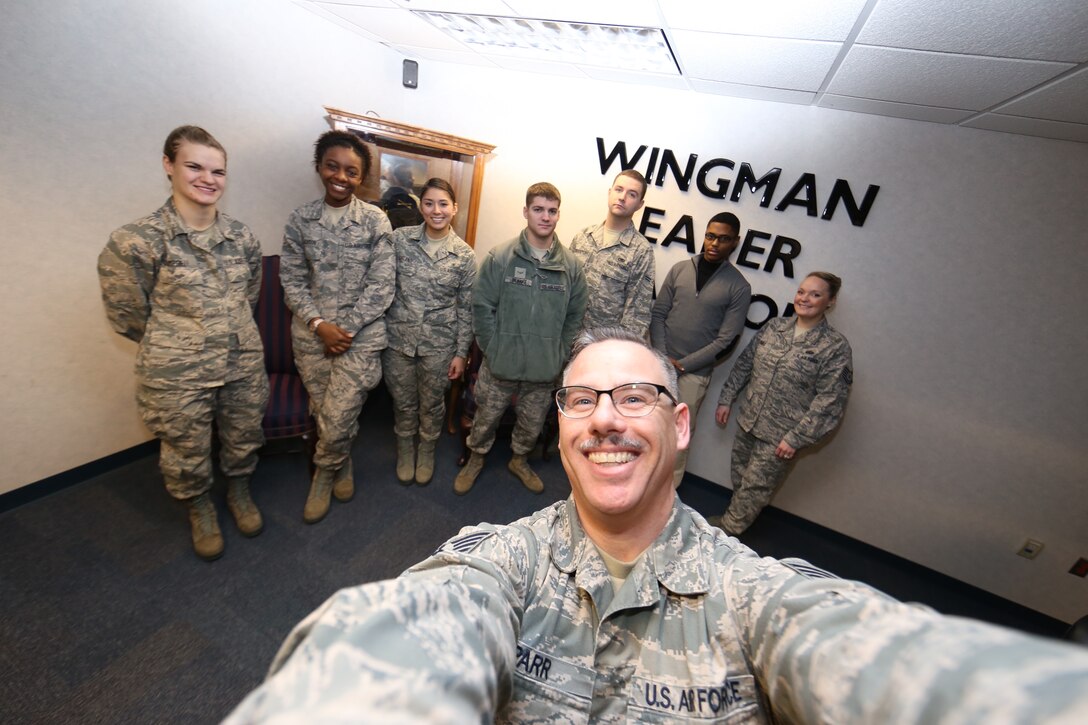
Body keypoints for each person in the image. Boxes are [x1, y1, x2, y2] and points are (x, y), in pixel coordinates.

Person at [225, 327, 1088, 723]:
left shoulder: (756, 594)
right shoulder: (500, 562)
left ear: (678, 426)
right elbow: (410, 634)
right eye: (583, 399)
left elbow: (879, 661)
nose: (605, 417)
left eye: (634, 395)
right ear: (560, 426)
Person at [97, 125, 268, 562]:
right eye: (194, 166)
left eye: (218, 170)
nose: (208, 178)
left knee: (244, 436)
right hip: (176, 374)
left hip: (241, 362)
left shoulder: (243, 238)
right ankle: (199, 507)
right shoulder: (135, 241)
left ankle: (240, 491)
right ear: (168, 166)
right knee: (185, 449)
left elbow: (249, 294)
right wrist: (178, 342)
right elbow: (128, 316)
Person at [280, 130, 395, 524]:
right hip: (311, 337)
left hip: (360, 338)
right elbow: (291, 279)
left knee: (341, 409)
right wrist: (319, 325)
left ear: (361, 177)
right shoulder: (300, 219)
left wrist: (342, 329)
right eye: (333, 166)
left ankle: (323, 472)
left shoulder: (375, 220)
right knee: (324, 408)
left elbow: (382, 285)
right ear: (319, 167)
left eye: (351, 170)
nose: (341, 176)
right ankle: (342, 460)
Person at [454, 182, 587, 496]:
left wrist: (558, 352)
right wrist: (492, 348)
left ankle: (519, 459)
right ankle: (475, 458)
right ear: (526, 212)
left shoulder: (571, 267)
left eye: (552, 211)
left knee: (532, 422)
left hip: (543, 368)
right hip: (500, 365)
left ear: (558, 214)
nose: (545, 217)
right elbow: (482, 306)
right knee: (485, 418)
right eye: (538, 209)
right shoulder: (501, 257)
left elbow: (575, 315)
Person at [714, 272, 853, 535]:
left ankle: (725, 536)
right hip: (749, 421)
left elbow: (830, 402)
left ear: (830, 301)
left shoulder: (834, 348)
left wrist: (797, 438)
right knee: (742, 480)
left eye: (815, 294)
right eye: (802, 291)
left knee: (755, 488)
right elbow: (745, 365)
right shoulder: (774, 327)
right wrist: (726, 398)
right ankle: (733, 525)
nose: (805, 299)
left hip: (781, 437)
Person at [382, 178, 476, 485]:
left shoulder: (464, 256)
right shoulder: (399, 241)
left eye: (443, 204)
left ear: (454, 209)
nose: (436, 210)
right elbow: (382, 287)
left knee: (433, 402)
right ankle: (405, 447)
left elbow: (466, 309)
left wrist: (461, 354)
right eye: (429, 203)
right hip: (398, 340)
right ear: (420, 205)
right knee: (403, 401)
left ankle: (426, 448)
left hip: (439, 345)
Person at [651, 212, 751, 486]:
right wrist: (662, 358)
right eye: (710, 236)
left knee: (678, 434)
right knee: (646, 425)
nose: (714, 243)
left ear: (735, 242)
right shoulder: (680, 269)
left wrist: (682, 365)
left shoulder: (739, 287)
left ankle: (668, 493)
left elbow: (726, 340)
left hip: (693, 375)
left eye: (723, 239)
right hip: (657, 365)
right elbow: (658, 314)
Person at [568, 169, 655, 337]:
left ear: (640, 204)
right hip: (566, 338)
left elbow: (636, 317)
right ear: (609, 193)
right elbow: (564, 288)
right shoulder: (583, 237)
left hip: (602, 347)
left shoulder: (641, 251)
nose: (622, 197)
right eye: (619, 190)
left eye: (632, 194)